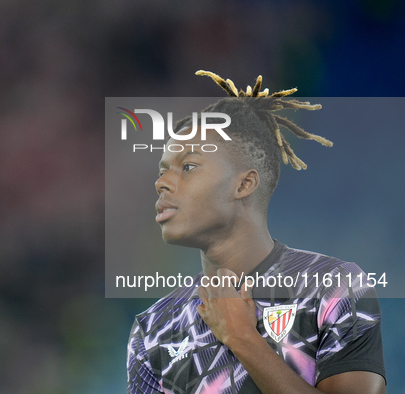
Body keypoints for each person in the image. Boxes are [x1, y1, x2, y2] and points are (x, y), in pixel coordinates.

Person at [126, 71, 386, 393]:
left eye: (188, 166)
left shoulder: (335, 286)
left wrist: (242, 337)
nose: (161, 182)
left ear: (244, 184)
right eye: (163, 170)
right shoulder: (154, 327)